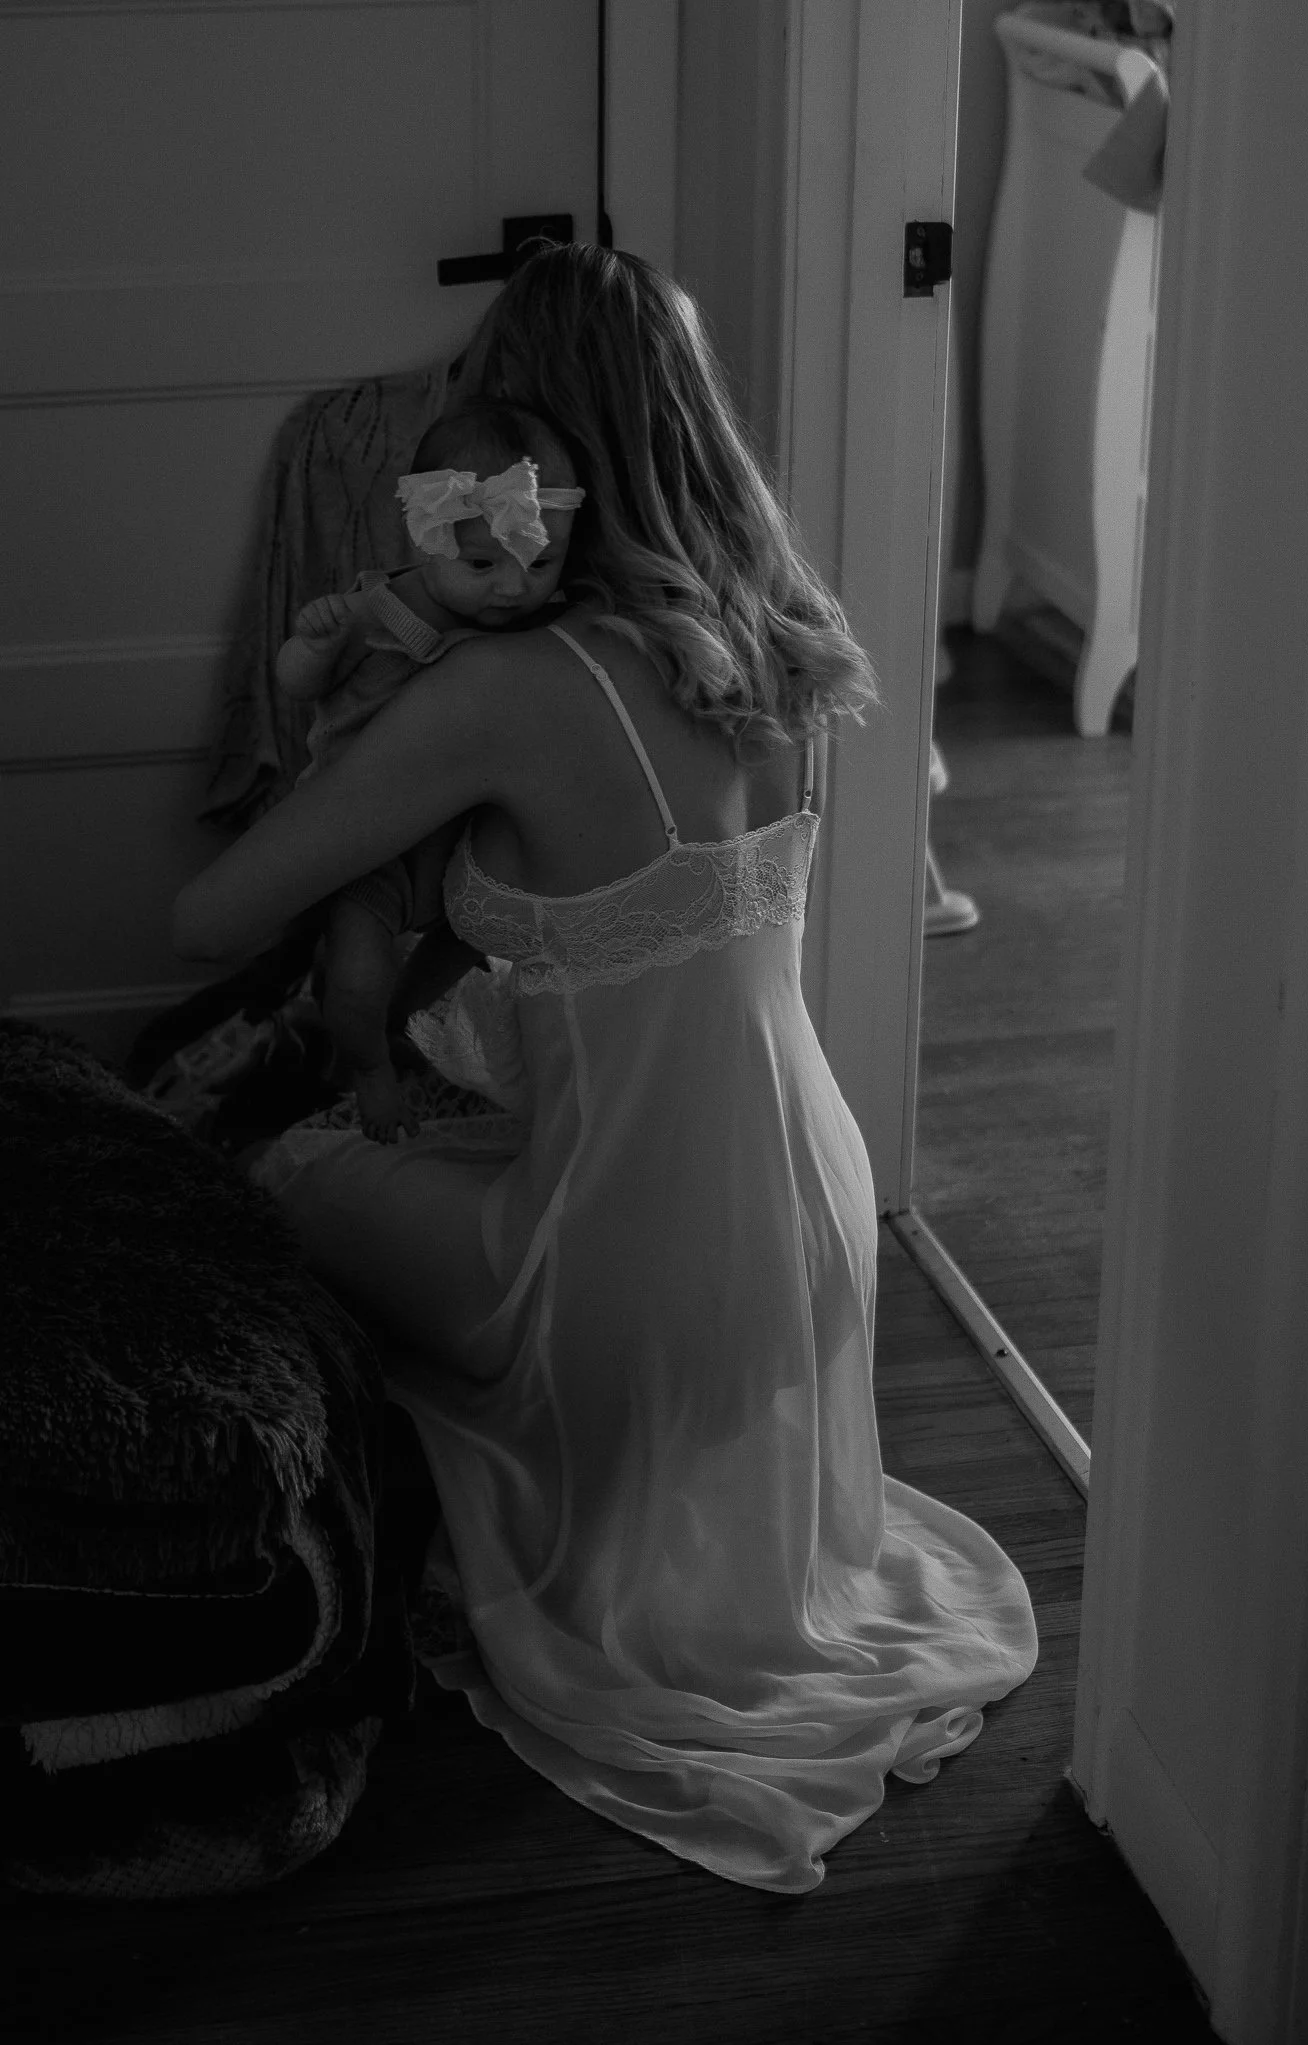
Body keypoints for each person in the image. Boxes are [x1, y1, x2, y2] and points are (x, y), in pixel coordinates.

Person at [174, 244, 1037, 1893]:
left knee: (279, 1164)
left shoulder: (512, 687)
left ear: (530, 447)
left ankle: (419, 1521)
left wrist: (336, 722)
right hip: (808, 1236)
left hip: (627, 1270)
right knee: (449, 1137)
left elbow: (208, 915)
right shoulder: (775, 635)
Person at [273, 401, 585, 1140]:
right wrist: (312, 648)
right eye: (481, 565)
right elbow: (296, 685)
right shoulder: (376, 613)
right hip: (370, 843)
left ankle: (399, 1031)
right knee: (357, 976)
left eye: (540, 562)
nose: (513, 588)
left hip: (466, 840)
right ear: (425, 536)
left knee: (472, 947)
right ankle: (366, 1066)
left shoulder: (538, 622)